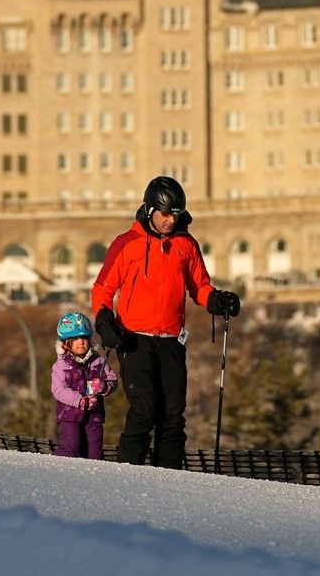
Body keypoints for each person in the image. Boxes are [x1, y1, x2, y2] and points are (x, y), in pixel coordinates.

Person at [91, 176, 241, 468]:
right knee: (145, 410)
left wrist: (219, 300)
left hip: (172, 340)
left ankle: (169, 482)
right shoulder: (127, 244)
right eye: (165, 214)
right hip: (134, 339)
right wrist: (104, 320)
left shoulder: (186, 245)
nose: (170, 220)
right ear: (149, 210)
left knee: (173, 417)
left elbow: (199, 287)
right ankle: (124, 474)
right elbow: (103, 288)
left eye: (176, 214)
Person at [51, 311, 118, 459]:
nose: (81, 342)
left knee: (94, 452)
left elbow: (112, 380)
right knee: (71, 446)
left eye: (84, 338)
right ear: (66, 343)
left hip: (94, 416)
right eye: (75, 339)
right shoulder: (61, 365)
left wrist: (104, 387)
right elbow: (58, 390)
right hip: (70, 415)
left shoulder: (98, 361)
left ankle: (91, 478)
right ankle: (53, 466)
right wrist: (79, 400)